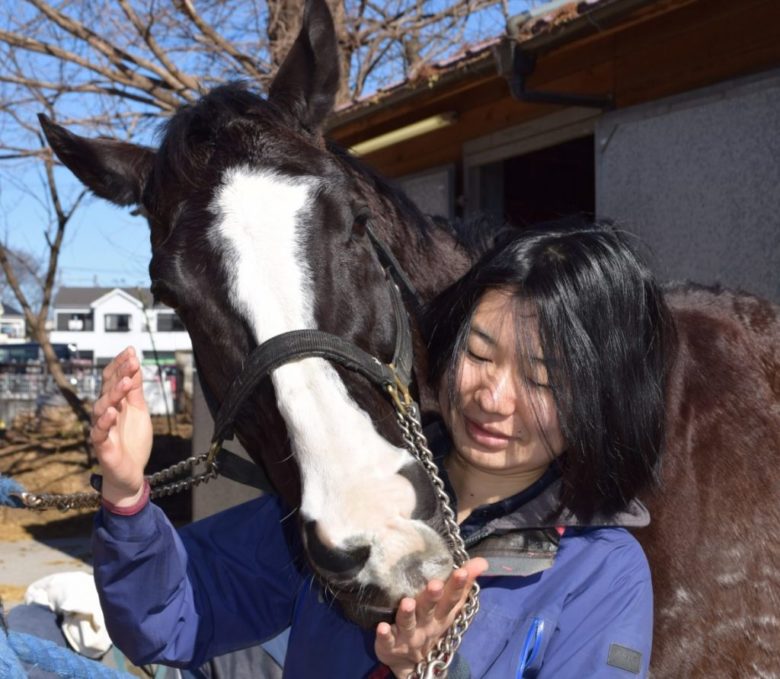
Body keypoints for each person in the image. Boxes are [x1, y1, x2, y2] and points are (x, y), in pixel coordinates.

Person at [90, 219, 674, 678]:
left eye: (543, 380)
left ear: (602, 402)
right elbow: (171, 618)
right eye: (479, 353)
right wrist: (125, 494)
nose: (493, 398)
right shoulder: (359, 490)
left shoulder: (601, 572)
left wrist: (429, 671)